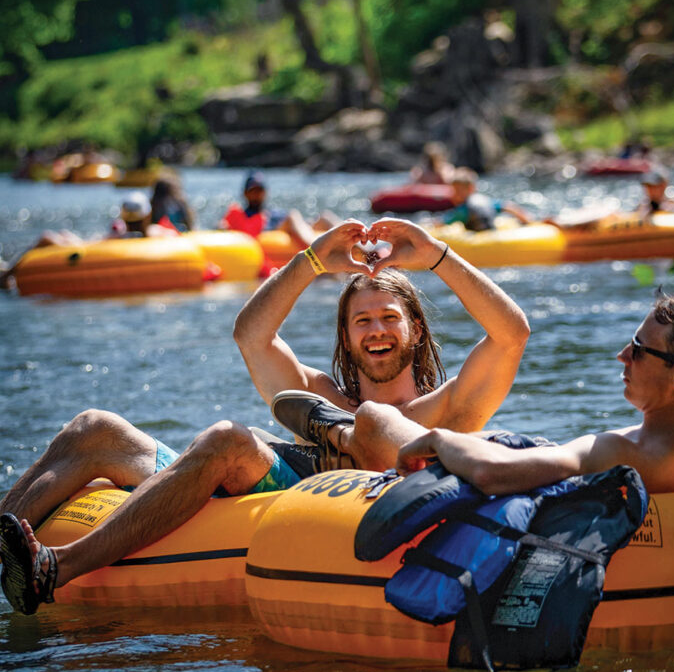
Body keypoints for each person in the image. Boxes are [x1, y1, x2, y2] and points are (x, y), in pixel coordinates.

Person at [0, 218, 530, 615]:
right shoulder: (317, 391)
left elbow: (512, 334)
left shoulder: (450, 408)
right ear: (346, 337)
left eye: (389, 318)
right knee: (96, 428)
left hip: (361, 502)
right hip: (280, 481)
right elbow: (252, 334)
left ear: (414, 327)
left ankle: (57, 567)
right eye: (362, 321)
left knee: (297, 429)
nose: (376, 331)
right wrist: (313, 260)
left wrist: (437, 255)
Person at [269, 293, 674, 497]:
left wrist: (440, 441)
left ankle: (336, 428)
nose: (622, 356)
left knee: (378, 419)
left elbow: (489, 471)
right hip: (547, 457)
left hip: (518, 468)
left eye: (639, 349)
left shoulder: (619, 452)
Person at [0, 193, 176, 289]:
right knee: (60, 234)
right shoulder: (154, 232)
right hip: (91, 249)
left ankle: (8, 274)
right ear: (147, 215)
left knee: (47, 237)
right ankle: (8, 273)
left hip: (89, 248)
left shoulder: (125, 235)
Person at [220, 171, 339, 247]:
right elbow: (224, 226)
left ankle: (356, 247)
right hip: (274, 232)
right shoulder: (243, 215)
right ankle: (317, 248)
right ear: (245, 193)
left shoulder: (272, 212)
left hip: (296, 228)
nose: (257, 194)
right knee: (292, 215)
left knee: (325, 217)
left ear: (265, 192)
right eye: (253, 191)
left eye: (260, 190)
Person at [432, 167, 534, 231]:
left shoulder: (463, 210)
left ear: (471, 189)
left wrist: (434, 225)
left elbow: (442, 223)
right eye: (454, 191)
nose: (454, 195)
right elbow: (509, 207)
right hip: (492, 232)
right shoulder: (484, 200)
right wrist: (528, 221)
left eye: (458, 191)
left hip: (481, 239)